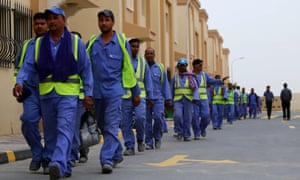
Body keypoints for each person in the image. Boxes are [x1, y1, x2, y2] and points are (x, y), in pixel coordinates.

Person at [14, 6, 93, 179]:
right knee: (50, 133)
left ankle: (57, 162)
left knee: (64, 128)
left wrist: (88, 93)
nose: (51, 21)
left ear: (64, 20)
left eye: (55, 18)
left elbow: (86, 70)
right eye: (49, 18)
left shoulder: (75, 42)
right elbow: (26, 66)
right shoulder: (39, 44)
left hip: (68, 95)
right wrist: (19, 82)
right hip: (46, 94)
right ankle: (57, 163)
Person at [87, 9, 140, 174]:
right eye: (101, 20)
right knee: (102, 125)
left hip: (114, 90)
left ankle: (106, 159)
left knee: (110, 125)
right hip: (97, 91)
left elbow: (129, 68)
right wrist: (85, 92)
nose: (104, 23)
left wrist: (135, 92)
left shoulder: (122, 42)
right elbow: (85, 68)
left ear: (113, 22)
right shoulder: (92, 42)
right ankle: (117, 152)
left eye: (107, 20)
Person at [13, 12, 47, 172]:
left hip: (50, 91)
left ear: (48, 25)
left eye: (42, 23)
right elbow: (21, 67)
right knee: (28, 120)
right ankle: (37, 153)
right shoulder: (27, 45)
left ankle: (49, 157)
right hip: (31, 91)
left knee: (52, 127)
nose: (39, 26)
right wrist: (18, 83)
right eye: (36, 23)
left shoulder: (54, 43)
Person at [121, 38, 153, 155]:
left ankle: (140, 139)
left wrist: (150, 97)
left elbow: (148, 81)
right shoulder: (122, 61)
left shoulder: (142, 62)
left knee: (140, 118)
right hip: (125, 96)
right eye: (132, 46)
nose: (135, 48)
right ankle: (129, 146)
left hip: (140, 95)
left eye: (136, 46)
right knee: (126, 123)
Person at [191, 59, 227, 139]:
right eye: (200, 65)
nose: (201, 67)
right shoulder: (190, 75)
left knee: (206, 116)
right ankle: (197, 133)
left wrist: (221, 81)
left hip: (203, 99)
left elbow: (212, 81)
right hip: (193, 99)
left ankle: (202, 128)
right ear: (195, 66)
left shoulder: (204, 75)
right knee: (194, 117)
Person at [144, 47, 171, 149]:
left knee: (158, 118)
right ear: (145, 55)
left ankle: (158, 137)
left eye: (151, 53)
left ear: (154, 55)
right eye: (147, 53)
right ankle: (149, 142)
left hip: (158, 98)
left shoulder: (160, 68)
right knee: (147, 121)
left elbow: (164, 84)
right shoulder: (142, 67)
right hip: (145, 99)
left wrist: (168, 99)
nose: (149, 55)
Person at [171, 58, 199, 141]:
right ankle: (180, 132)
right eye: (180, 66)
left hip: (188, 100)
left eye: (184, 66)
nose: (182, 67)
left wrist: (195, 97)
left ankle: (186, 134)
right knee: (177, 116)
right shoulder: (175, 77)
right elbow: (171, 89)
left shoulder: (191, 76)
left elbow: (195, 88)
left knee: (188, 118)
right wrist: (169, 101)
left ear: (186, 66)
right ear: (178, 67)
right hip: (178, 100)